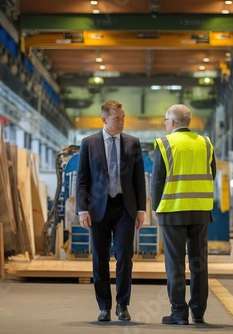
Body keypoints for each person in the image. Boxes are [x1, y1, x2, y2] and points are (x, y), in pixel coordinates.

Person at [76, 99, 146, 322]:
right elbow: (82, 179)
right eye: (117, 118)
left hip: (125, 208)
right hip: (98, 209)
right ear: (104, 119)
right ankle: (104, 306)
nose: (121, 121)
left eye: (123, 117)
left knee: (125, 257)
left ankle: (123, 305)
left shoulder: (132, 143)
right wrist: (82, 209)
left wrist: (142, 209)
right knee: (100, 258)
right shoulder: (89, 143)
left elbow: (138, 179)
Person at [151, 104, 216, 325]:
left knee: (175, 263)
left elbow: (157, 179)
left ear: (172, 122)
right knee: (199, 263)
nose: (165, 125)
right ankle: (198, 312)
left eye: (165, 121)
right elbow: (212, 173)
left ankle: (179, 313)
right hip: (200, 210)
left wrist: (156, 208)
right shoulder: (205, 144)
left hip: (172, 211)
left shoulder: (165, 143)